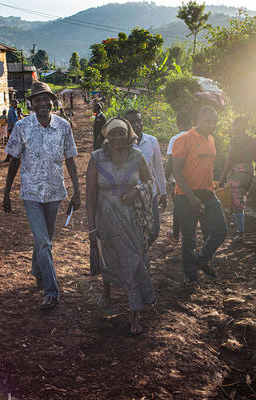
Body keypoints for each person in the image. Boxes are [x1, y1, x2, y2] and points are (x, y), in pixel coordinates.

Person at [3, 80, 81, 311]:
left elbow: (70, 159)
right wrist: (6, 194)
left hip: (55, 191)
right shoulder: (21, 127)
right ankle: (51, 291)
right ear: (31, 104)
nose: (42, 103)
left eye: (46, 99)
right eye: (37, 100)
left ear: (52, 101)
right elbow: (14, 161)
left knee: (44, 239)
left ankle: (37, 270)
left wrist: (77, 191)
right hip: (31, 193)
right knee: (44, 242)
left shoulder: (64, 126)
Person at [86, 117, 156, 335]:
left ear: (129, 134)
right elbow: (91, 194)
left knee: (134, 263)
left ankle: (134, 314)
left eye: (121, 133)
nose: (117, 137)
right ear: (106, 135)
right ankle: (106, 290)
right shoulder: (97, 158)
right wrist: (91, 227)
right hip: (105, 220)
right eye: (113, 133)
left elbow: (149, 182)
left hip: (132, 220)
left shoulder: (137, 156)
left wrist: (137, 191)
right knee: (109, 258)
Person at [172, 106, 227, 284]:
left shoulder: (211, 139)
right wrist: (191, 197)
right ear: (198, 120)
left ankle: (202, 257)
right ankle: (190, 273)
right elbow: (177, 171)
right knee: (189, 238)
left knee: (220, 229)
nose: (211, 125)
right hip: (186, 195)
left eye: (214, 122)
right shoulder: (184, 139)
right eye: (207, 121)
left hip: (208, 194)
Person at [124, 110, 167, 247]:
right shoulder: (121, 145)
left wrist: (164, 191)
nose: (136, 124)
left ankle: (141, 252)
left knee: (153, 231)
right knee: (133, 230)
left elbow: (158, 168)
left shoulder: (151, 141)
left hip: (150, 193)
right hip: (130, 196)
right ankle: (138, 257)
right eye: (132, 122)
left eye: (138, 121)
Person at [219, 116, 256, 242]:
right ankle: (236, 222)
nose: (234, 128)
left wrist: (222, 177)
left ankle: (241, 233)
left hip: (237, 173)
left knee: (236, 202)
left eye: (235, 125)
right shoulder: (254, 141)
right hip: (249, 173)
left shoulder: (235, 141)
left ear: (242, 127)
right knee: (239, 200)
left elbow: (230, 159)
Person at [165, 110, 193, 242]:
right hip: (195, 178)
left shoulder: (175, 139)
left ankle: (176, 234)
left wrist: (165, 177)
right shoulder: (196, 136)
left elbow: (171, 161)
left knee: (178, 206)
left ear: (177, 124)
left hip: (179, 179)